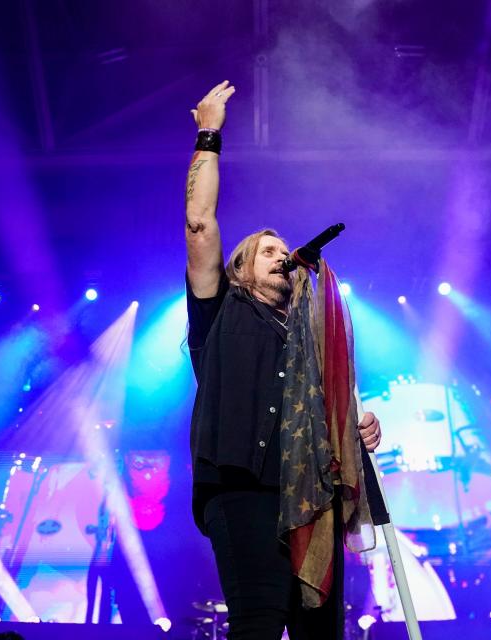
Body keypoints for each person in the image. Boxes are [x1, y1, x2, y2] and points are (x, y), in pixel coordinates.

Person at [184, 80, 382, 640]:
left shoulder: (310, 333)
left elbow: (332, 404)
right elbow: (199, 224)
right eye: (266, 251)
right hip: (244, 489)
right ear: (241, 268)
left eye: (282, 250)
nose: (280, 257)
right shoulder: (219, 310)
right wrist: (209, 134)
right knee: (260, 624)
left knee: (322, 633)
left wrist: (357, 426)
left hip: (311, 493)